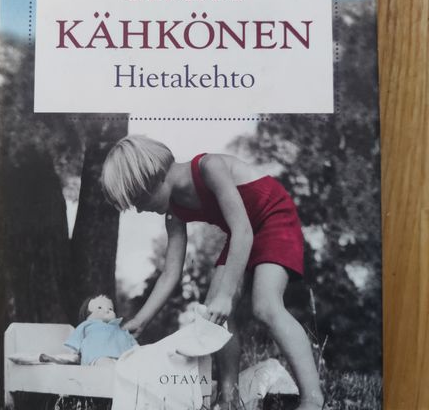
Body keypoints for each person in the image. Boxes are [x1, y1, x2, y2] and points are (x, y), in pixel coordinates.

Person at [101, 135, 324, 410]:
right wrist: (141, 320)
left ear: (154, 176)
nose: (138, 209)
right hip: (243, 232)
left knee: (266, 305)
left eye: (136, 199)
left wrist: (226, 295)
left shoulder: (209, 167)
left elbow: (242, 230)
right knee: (213, 315)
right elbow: (171, 273)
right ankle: (229, 398)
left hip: (272, 218)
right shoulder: (174, 211)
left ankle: (313, 398)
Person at [63, 294, 138, 366]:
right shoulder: (87, 325)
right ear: (87, 315)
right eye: (99, 308)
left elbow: (133, 342)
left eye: (110, 309)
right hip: (98, 356)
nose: (107, 310)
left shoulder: (119, 329)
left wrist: (137, 350)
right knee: (106, 365)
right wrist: (74, 353)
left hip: (123, 357)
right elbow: (76, 338)